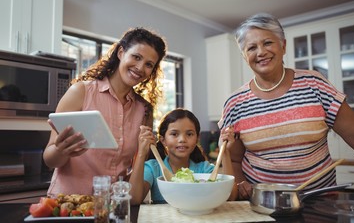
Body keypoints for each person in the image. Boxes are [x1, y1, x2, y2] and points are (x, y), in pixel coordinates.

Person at [218, 13, 354, 200]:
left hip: (320, 201)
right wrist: (240, 184)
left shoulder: (314, 83)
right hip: (262, 204)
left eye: (268, 43)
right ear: (245, 56)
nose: (261, 52)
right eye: (251, 48)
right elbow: (234, 159)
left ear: (283, 45)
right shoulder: (235, 103)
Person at [43, 27, 167, 196]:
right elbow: (49, 160)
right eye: (136, 57)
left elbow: (134, 169)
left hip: (112, 207)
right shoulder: (81, 92)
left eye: (148, 64)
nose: (140, 67)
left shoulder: (144, 110)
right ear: (121, 52)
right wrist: (60, 150)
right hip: (70, 205)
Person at [129, 108, 238, 204]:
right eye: (174, 134)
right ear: (163, 140)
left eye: (189, 134)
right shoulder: (153, 168)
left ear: (197, 139)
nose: (182, 140)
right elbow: (134, 199)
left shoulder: (204, 169)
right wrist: (141, 153)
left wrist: (225, 152)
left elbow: (230, 197)